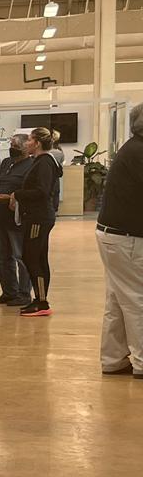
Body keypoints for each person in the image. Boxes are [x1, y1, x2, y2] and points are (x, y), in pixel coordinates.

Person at [97, 103, 143, 378]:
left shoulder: (132, 148)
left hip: (115, 235)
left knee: (118, 299)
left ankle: (113, 358)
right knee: (137, 299)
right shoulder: (139, 152)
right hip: (127, 238)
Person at [0, 127, 62, 317]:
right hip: (34, 216)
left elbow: (42, 191)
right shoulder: (41, 161)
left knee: (33, 258)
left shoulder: (44, 162)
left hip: (39, 218)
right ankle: (40, 299)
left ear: (37, 143)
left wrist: (17, 194)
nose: (27, 143)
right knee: (35, 257)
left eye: (30, 140)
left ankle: (42, 301)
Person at [0, 133, 35, 307]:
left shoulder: (31, 166)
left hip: (18, 218)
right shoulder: (7, 163)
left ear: (25, 148)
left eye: (16, 146)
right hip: (1, 216)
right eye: (11, 145)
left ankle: (24, 293)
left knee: (20, 256)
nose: (12, 148)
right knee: (3, 256)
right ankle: (9, 292)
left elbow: (31, 192)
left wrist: (11, 197)